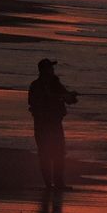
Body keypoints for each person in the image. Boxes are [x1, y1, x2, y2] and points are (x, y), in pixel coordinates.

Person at [27, 58, 78, 189]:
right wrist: (62, 96)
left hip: (55, 123)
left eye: (52, 68)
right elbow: (39, 101)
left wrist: (71, 96)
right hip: (42, 125)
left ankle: (59, 183)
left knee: (59, 153)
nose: (53, 70)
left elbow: (70, 100)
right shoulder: (35, 86)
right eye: (50, 68)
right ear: (44, 71)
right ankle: (49, 184)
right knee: (45, 154)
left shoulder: (56, 83)